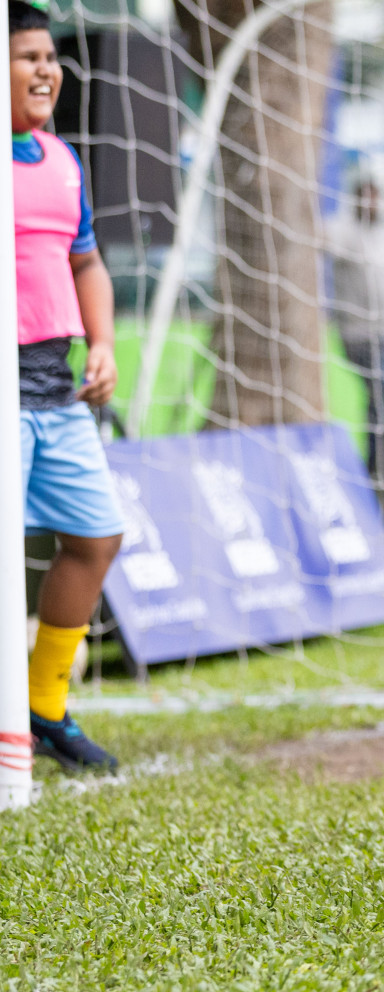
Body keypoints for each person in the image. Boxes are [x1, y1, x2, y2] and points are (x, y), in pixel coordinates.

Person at [11, 0, 123, 771]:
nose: (47, 69)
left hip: (58, 387)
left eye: (51, 56)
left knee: (95, 536)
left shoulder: (61, 159)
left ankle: (42, 705)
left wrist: (105, 342)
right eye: (28, 57)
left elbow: (85, 261)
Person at [328, 179, 384, 477]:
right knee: (379, 400)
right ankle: (375, 468)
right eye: (366, 199)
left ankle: (381, 463)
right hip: (360, 334)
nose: (372, 205)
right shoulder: (344, 231)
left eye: (376, 198)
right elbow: (323, 238)